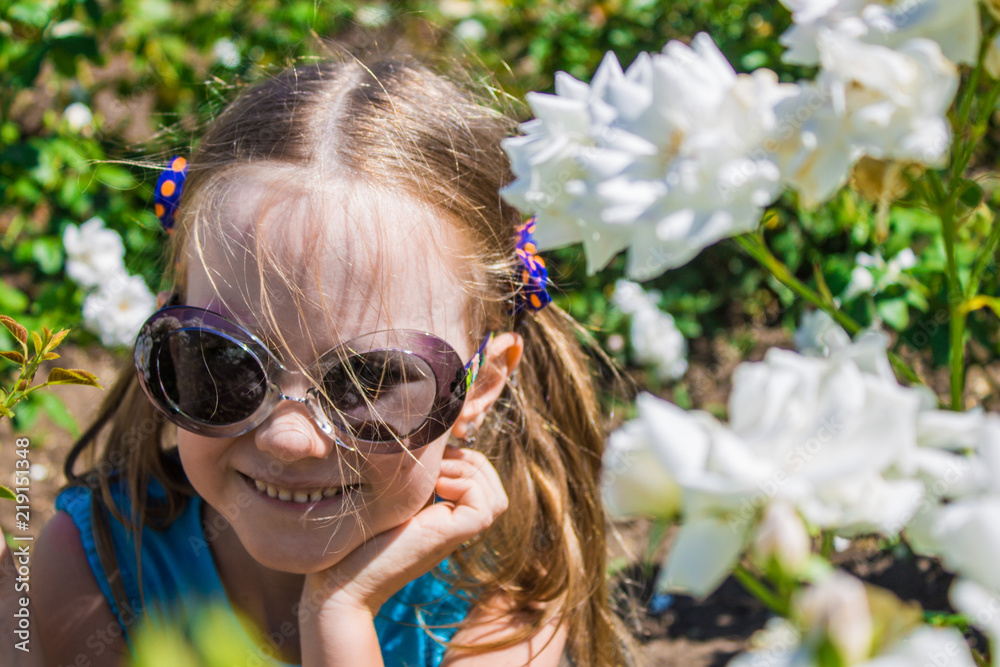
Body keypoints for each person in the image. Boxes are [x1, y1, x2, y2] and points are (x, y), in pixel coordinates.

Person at [22, 55, 626, 666]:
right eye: (223, 362)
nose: (288, 438)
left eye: (370, 381)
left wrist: (339, 613)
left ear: (480, 385)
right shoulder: (99, 566)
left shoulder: (499, 608)